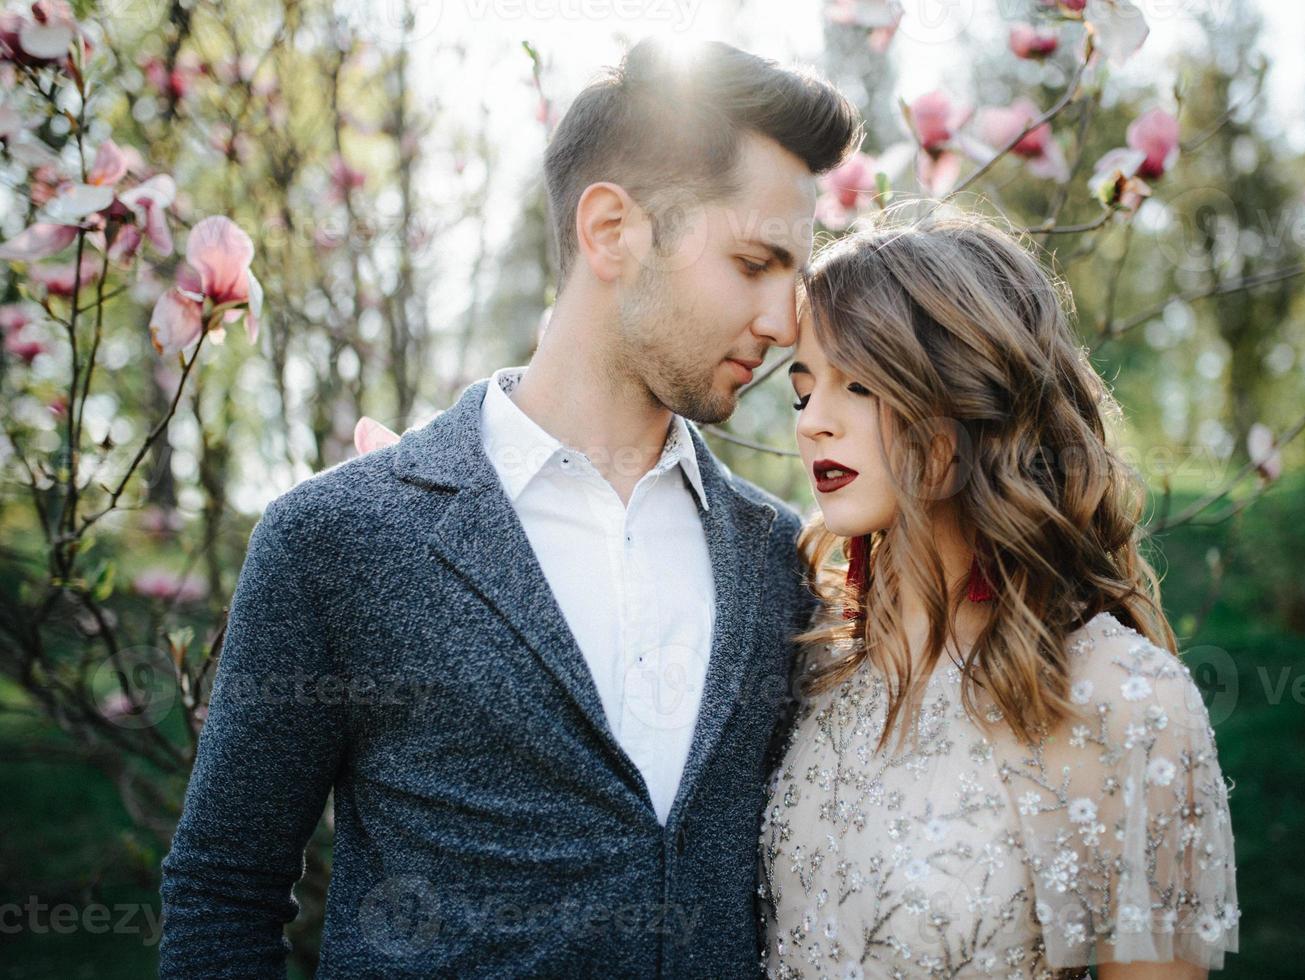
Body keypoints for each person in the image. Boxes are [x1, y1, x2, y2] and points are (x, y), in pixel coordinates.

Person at [158, 39, 860, 978]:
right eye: (753, 261)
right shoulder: (338, 538)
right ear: (611, 229)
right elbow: (222, 896)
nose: (783, 321)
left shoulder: (784, 556)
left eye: (794, 276)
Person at [759, 209, 1241, 978]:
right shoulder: (809, 653)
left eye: (858, 384)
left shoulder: (1130, 704)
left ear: (966, 397)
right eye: (803, 391)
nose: (814, 422)